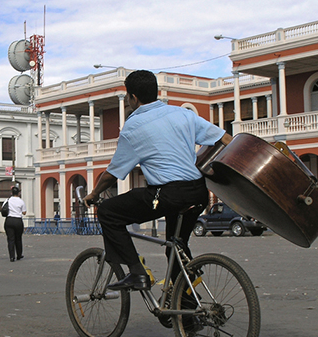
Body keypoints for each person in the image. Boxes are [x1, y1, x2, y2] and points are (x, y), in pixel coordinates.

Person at [83, 70, 232, 291]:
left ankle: (136, 272)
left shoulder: (133, 128)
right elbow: (225, 139)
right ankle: (188, 316)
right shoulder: (183, 114)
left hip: (167, 194)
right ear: (156, 92)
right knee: (176, 248)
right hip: (198, 193)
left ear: (133, 97)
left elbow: (112, 173)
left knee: (108, 212)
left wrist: (94, 194)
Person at [4, 186, 27, 262]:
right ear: (19, 193)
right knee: (18, 238)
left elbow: (4, 208)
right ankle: (19, 255)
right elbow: (24, 212)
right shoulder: (21, 201)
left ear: (11, 193)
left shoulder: (8, 200)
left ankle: (11, 256)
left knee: (10, 239)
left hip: (9, 220)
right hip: (18, 220)